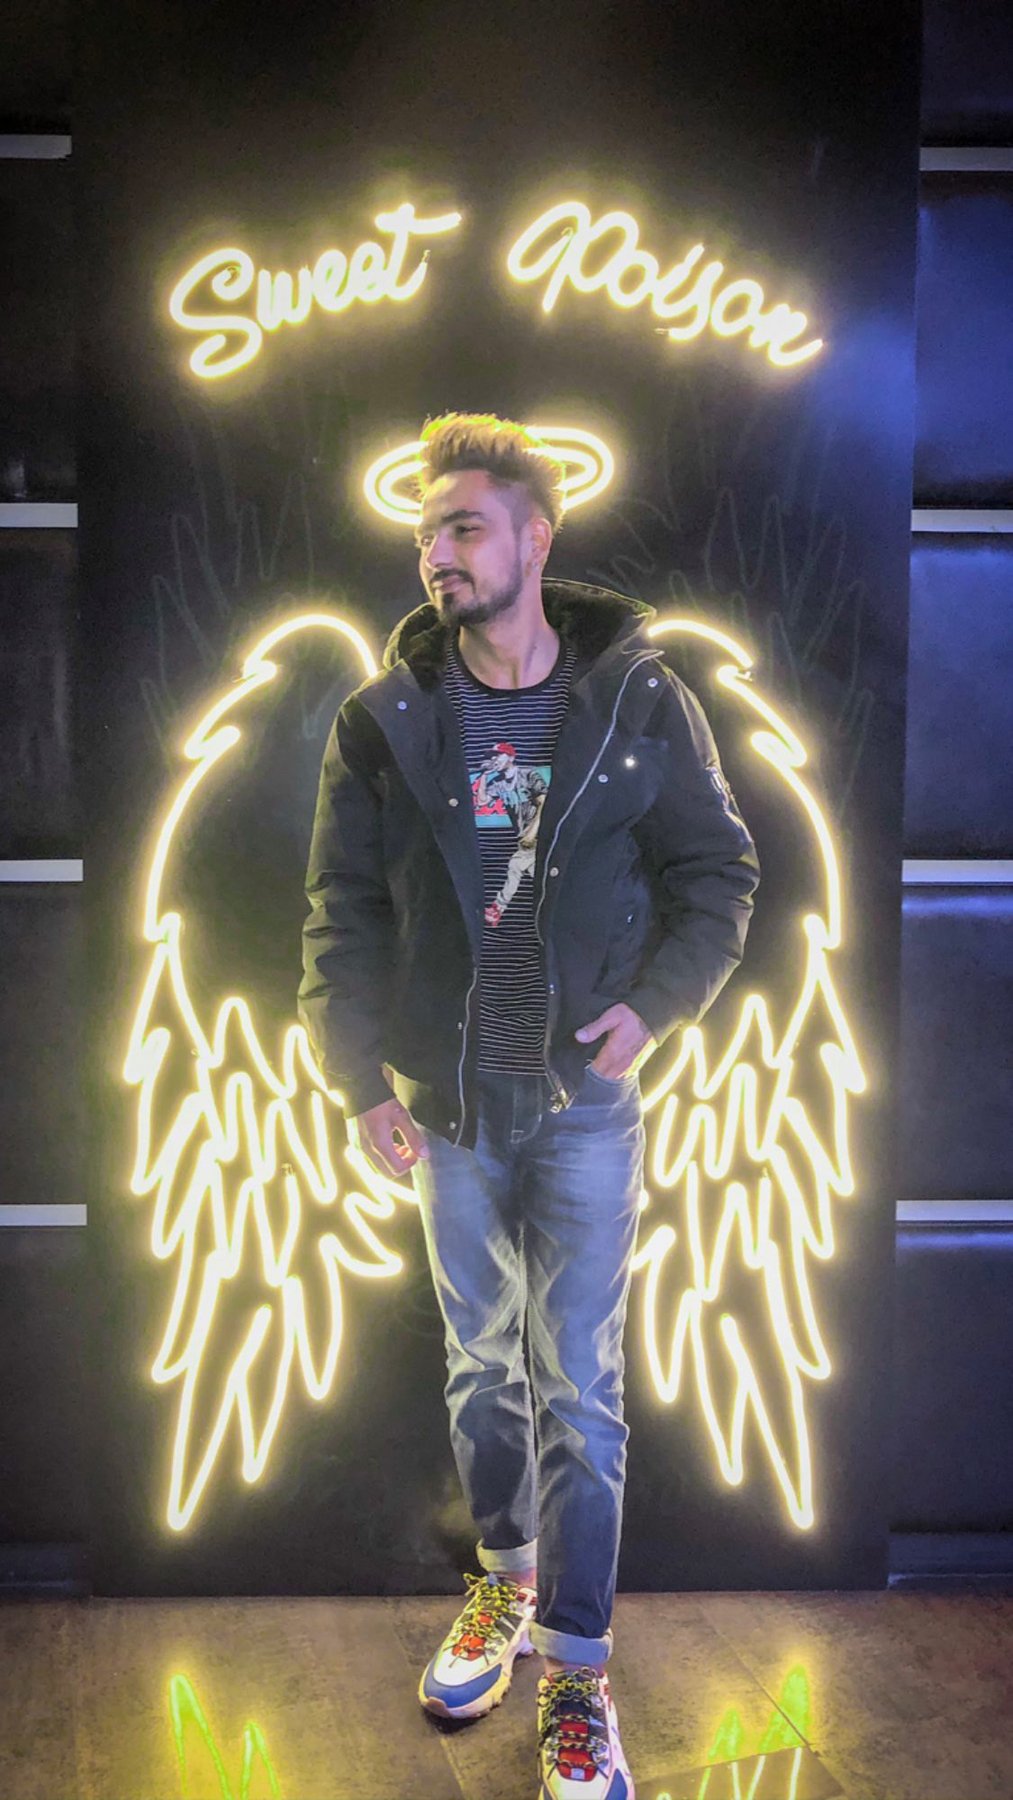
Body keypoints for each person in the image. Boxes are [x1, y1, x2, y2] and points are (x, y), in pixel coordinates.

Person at [299, 413, 760, 1800]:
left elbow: (719, 875)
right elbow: (340, 909)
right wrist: (352, 1076)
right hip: (444, 1106)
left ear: (535, 539)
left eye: (462, 528)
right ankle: (502, 1582)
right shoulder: (385, 717)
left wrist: (655, 1008)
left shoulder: (638, 701)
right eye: (424, 534)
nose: (435, 555)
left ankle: (576, 1673)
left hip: (582, 1106)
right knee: (479, 1371)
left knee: (581, 1388)